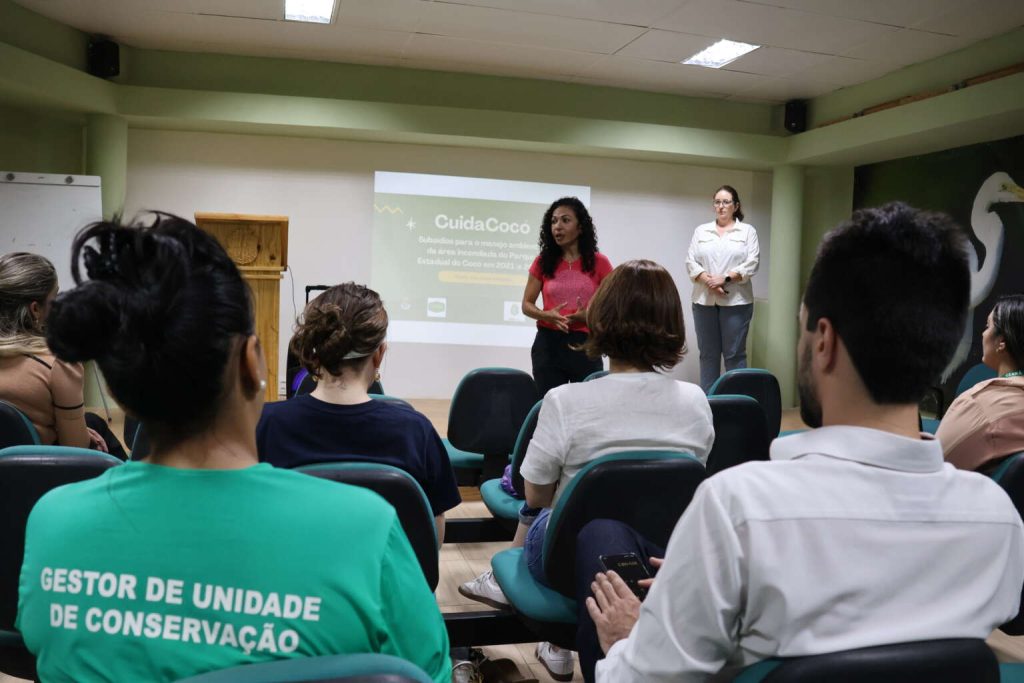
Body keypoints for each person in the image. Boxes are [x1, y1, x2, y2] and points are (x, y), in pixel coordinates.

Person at [581, 203, 1024, 682]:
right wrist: (705, 578)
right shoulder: (997, 518)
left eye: (802, 325)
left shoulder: (739, 509)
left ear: (824, 342)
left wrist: (629, 640)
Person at [16, 215, 451, 683]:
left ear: (121, 392)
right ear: (251, 361)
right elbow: (427, 672)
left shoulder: (53, 524)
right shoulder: (366, 530)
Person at [461, 259, 714, 681]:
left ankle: (511, 591)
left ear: (600, 319)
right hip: (660, 560)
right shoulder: (696, 401)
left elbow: (535, 497)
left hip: (562, 561)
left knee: (548, 507)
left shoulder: (565, 401)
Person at [256, 282, 461, 544]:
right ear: (379, 355)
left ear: (314, 353)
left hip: (290, 582)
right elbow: (431, 534)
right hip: (384, 584)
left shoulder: (266, 424)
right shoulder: (415, 431)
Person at [0, 251, 126, 459]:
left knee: (91, 421)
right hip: (37, 473)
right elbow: (75, 451)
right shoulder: (57, 362)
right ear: (35, 309)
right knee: (95, 429)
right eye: (54, 296)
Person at [523, 197, 613, 396]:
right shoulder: (543, 262)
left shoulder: (600, 263)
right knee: (550, 406)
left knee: (589, 406)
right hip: (548, 345)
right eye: (554, 221)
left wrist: (588, 315)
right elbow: (526, 304)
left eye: (565, 220)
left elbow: (612, 305)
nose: (557, 227)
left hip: (586, 343)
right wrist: (546, 315)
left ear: (580, 227)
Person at [685, 185, 760, 393]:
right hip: (704, 301)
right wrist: (709, 280)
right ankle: (710, 405)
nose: (721, 206)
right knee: (708, 355)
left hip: (736, 302)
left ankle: (736, 404)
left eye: (726, 202)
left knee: (734, 355)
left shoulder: (747, 231)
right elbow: (691, 262)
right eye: (717, 202)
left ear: (736, 206)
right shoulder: (701, 231)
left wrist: (724, 279)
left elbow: (752, 263)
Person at [938, 295, 1024, 471]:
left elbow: (936, 464)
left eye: (988, 326)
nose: (983, 333)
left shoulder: (978, 404)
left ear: (1001, 342)